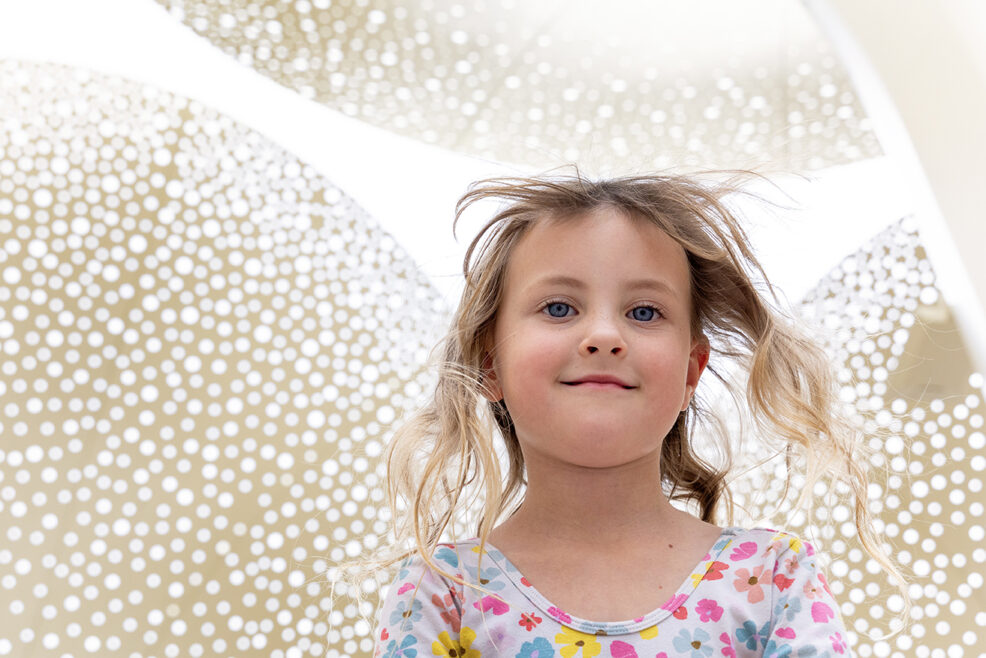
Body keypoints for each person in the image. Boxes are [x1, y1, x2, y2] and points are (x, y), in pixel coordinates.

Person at [347, 171, 909, 657]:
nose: (603, 336)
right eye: (560, 307)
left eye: (644, 311)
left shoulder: (773, 580)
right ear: (490, 364)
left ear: (692, 371)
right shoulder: (442, 593)